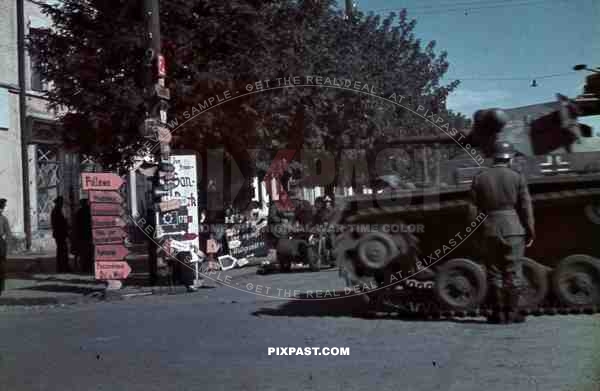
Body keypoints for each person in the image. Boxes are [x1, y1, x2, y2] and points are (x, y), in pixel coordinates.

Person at [470, 141, 535, 324]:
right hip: (514, 229)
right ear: (510, 158)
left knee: (494, 272)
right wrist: (530, 231)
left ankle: (498, 314)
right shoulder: (517, 177)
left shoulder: (480, 177)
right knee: (513, 271)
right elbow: (526, 207)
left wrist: (476, 233)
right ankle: (512, 313)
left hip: (490, 229)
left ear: (495, 156)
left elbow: (472, 210)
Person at [51, 196, 71, 273]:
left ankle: (61, 267)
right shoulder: (57, 211)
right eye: (61, 202)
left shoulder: (56, 210)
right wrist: (66, 222)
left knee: (61, 251)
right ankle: (63, 267)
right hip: (60, 234)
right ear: (58, 203)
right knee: (63, 251)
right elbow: (60, 223)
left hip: (59, 234)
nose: (62, 204)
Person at [74, 199, 93, 273]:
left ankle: (85, 267)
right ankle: (89, 266)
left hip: (82, 235)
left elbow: (77, 224)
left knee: (84, 252)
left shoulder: (79, 212)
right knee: (88, 252)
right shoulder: (89, 211)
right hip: (88, 234)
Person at [0, 198, 11, 295]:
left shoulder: (4, 219)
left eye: (2, 207)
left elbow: (8, 234)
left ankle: (1, 286)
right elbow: (8, 234)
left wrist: (6, 245)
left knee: (2, 267)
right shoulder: (3, 219)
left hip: (1, 243)